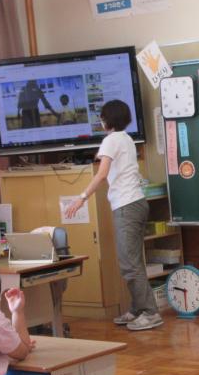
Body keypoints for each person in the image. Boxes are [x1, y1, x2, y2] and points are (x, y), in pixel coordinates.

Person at [64, 99, 162, 331]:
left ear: (107, 120)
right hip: (135, 203)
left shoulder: (110, 140)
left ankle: (151, 312)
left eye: (102, 117)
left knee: (130, 263)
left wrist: (81, 198)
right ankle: (137, 309)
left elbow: (101, 174)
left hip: (127, 206)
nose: (100, 121)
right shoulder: (126, 138)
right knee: (131, 261)